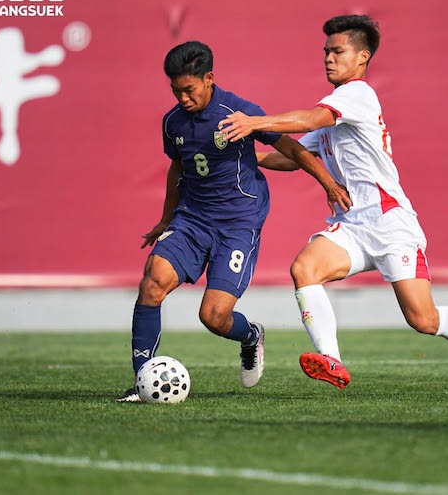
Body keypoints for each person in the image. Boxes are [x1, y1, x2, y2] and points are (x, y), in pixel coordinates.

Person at [218, 14, 448, 389]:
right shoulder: (337, 108)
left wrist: (255, 122)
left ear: (362, 58)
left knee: (423, 320)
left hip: (389, 222)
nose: (328, 58)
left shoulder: (357, 95)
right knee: (305, 268)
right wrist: (231, 153)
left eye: (337, 50)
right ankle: (332, 359)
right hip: (352, 224)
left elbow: (310, 119)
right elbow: (292, 157)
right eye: (325, 51)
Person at [117, 41, 349, 402]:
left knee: (213, 316)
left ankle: (251, 336)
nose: (183, 98)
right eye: (176, 90)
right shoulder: (172, 122)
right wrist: (166, 219)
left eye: (189, 89)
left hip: (238, 223)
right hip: (192, 219)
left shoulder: (239, 112)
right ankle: (142, 381)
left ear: (209, 79)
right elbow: (177, 167)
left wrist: (328, 183)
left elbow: (291, 148)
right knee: (152, 283)